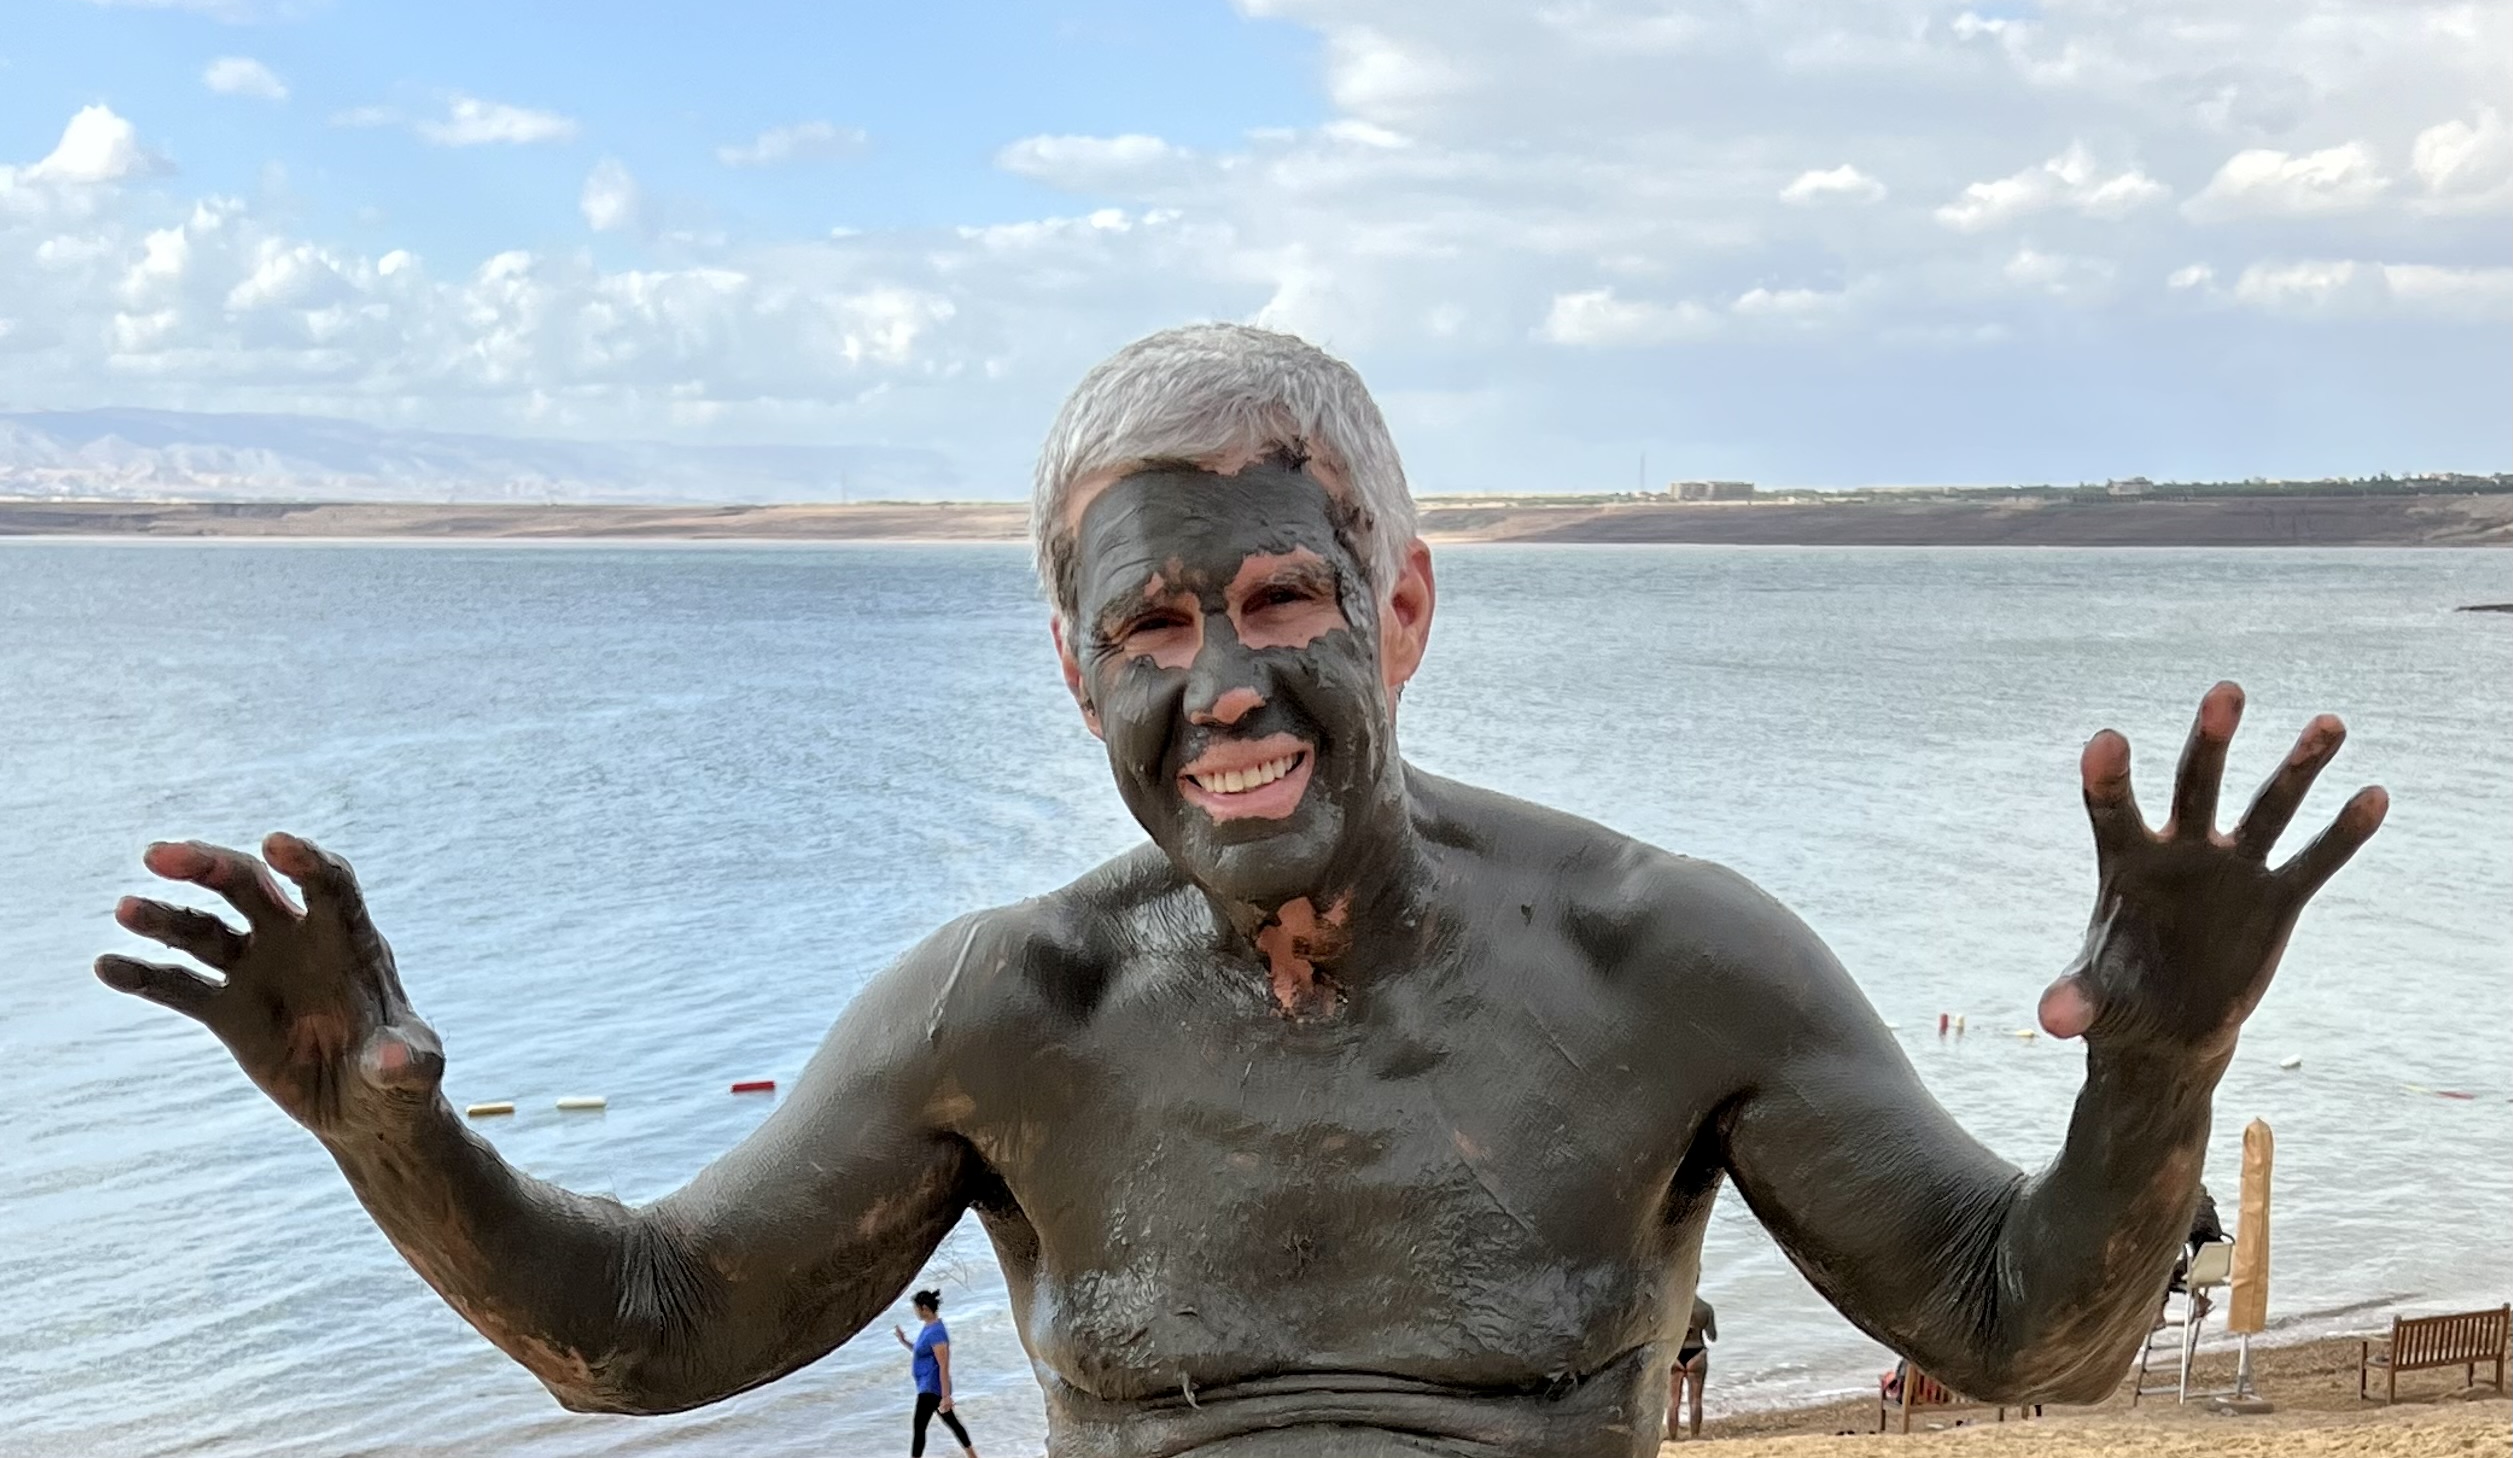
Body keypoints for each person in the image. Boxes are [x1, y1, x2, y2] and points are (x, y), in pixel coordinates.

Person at [96, 323, 2390, 1457]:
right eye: (1150, 625)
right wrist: (391, 1133)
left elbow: (2020, 1327)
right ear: (1070, 665)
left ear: (1403, 607)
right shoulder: (1008, 1014)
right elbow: (645, 1329)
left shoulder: (1663, 961)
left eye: (1279, 597)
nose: (1222, 685)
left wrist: (2157, 1071)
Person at [892, 1289, 977, 1458]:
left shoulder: (936, 1332)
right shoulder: (929, 1327)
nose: (915, 1312)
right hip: (928, 1385)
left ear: (924, 1308)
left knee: (919, 1427)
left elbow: (943, 1365)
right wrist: (904, 1341)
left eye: (916, 1308)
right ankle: (973, 1456)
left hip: (931, 1387)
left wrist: (946, 1396)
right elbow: (921, 1351)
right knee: (952, 1423)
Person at [1668, 1294, 1716, 1439]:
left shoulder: (1671, 1308)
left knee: (1673, 1401)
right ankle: (1694, 1435)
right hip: (1697, 1353)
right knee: (1695, 1400)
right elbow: (1712, 1336)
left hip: (1676, 1353)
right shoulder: (1705, 1308)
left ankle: (1673, 1436)